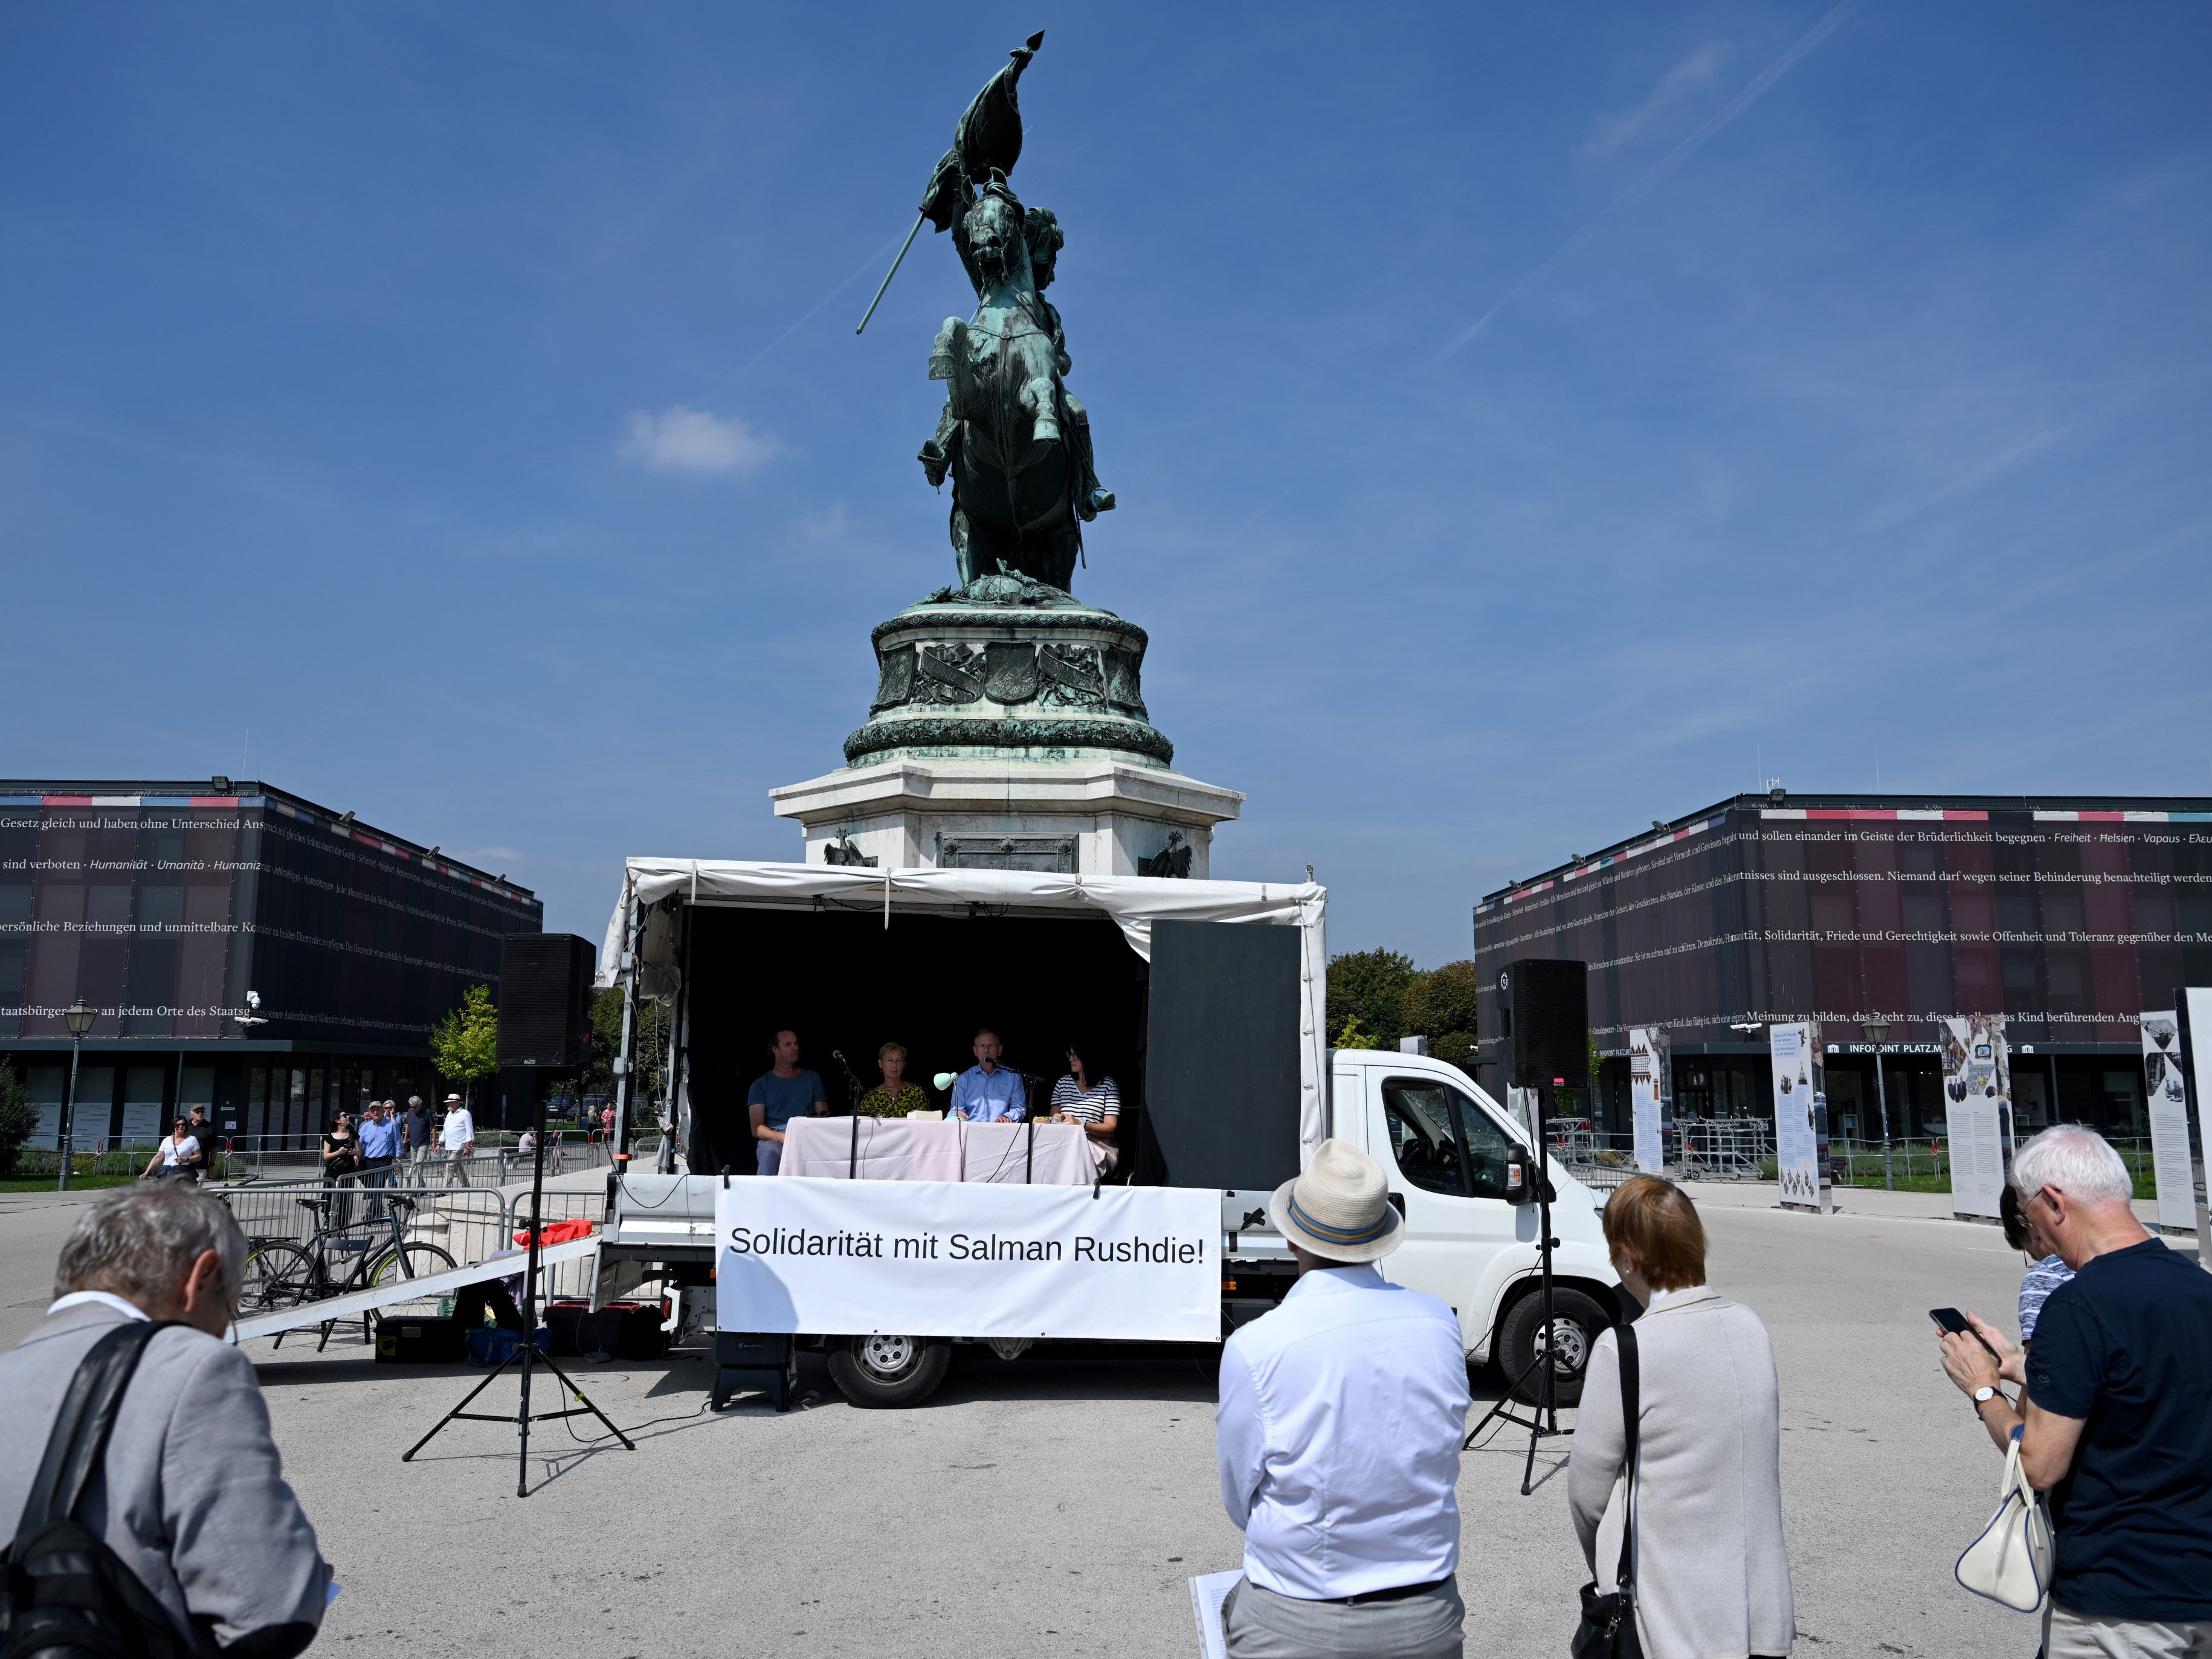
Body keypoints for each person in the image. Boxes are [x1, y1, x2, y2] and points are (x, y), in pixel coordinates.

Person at [0, 1182, 332, 1653]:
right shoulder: (191, 1365)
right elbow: (274, 1610)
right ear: (202, 1276)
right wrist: (311, 1581)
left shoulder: (8, 1369)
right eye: (231, 1306)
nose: (223, 1329)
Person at [1939, 1125, 2212, 1656]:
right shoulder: (2198, 1287)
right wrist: (2025, 1366)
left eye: (2026, 1216)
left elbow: (2039, 1464)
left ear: (2053, 1203)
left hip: (2120, 1600)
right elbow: (2148, 1387)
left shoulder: (2077, 1303)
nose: (2032, 1233)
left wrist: (1982, 1390)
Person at [1215, 1139, 1469, 1658]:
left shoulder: (1256, 1345)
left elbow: (1240, 1497)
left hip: (1295, 1609)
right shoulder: (1439, 1324)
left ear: (1291, 1241)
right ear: (1379, 1240)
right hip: (1424, 1614)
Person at [1569, 1175, 1793, 1658]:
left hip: (1671, 1616)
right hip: (1759, 1613)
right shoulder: (1749, 1326)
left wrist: (1607, 1569)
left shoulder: (1626, 1348)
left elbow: (1588, 1498)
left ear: (1628, 1259)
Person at [2001, 1179, 2075, 1346]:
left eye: (2034, 1255)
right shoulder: (2144, 1256)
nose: (2042, 1261)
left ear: (2028, 1224)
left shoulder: (2047, 1276)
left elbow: (2040, 1369)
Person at [746, 1029, 827, 1175]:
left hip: (807, 1139)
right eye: (788, 1044)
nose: (795, 1047)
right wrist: (783, 1137)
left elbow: (823, 1118)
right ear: (775, 1049)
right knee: (769, 1153)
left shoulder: (813, 1078)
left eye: (796, 1043)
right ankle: (764, 1195)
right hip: (775, 1141)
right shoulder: (760, 1085)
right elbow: (756, 1129)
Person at [1048, 1040, 1120, 1174]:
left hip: (1097, 1149)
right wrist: (1056, 1120)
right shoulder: (1063, 1083)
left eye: (1075, 1055)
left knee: (1071, 1164)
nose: (1071, 1059)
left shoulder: (1108, 1086)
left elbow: (1111, 1129)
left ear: (1087, 1056)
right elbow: (1052, 1121)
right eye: (1070, 1054)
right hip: (1064, 1145)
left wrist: (1081, 1123)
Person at [950, 1028, 1026, 1124]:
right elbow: (954, 1112)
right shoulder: (963, 1080)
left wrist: (1007, 1117)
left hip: (1002, 1132)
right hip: (971, 1134)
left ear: (999, 1050)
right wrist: (958, 1115)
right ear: (975, 1051)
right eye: (982, 1046)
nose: (986, 1050)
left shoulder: (1013, 1077)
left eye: (991, 1046)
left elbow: (1019, 1108)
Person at [859, 1043, 929, 1118]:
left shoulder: (916, 1092)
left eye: (898, 1061)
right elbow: (862, 1125)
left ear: (904, 1065)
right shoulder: (871, 1096)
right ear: (881, 1063)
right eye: (890, 1060)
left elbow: (926, 1123)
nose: (894, 1065)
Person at [140, 1118, 201, 1183]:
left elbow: (199, 1156)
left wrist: (185, 1159)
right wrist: (146, 1172)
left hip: (183, 1174)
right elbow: (158, 1158)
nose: (181, 1126)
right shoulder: (166, 1140)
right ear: (173, 1126)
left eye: (183, 1124)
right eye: (178, 1125)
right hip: (166, 1172)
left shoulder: (192, 1139)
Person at [440, 1092, 476, 1186]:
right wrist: (439, 1144)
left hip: (459, 1145)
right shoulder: (449, 1114)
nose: (448, 1104)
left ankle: (445, 1189)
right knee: (457, 1167)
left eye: (450, 1102)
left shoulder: (465, 1114)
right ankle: (466, 1186)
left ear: (457, 1103)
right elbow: (445, 1130)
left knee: (450, 1166)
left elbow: (470, 1131)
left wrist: (467, 1147)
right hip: (450, 1145)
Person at [319, 1112, 358, 1181]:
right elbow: (326, 1156)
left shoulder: (353, 1134)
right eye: (345, 1116)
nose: (348, 1117)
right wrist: (339, 1152)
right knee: (329, 1191)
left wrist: (352, 1152)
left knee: (346, 1191)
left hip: (348, 1170)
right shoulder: (330, 1137)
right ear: (338, 1121)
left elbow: (359, 1152)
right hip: (333, 1170)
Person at [402, 1094, 433, 1177]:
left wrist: (434, 1142)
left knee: (418, 1165)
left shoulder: (427, 1112)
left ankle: (417, 1189)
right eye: (411, 1107)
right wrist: (405, 1140)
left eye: (415, 1107)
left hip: (424, 1143)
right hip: (413, 1143)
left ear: (420, 1105)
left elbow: (433, 1127)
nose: (413, 1109)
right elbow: (408, 1126)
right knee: (414, 1166)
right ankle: (421, 1187)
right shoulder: (410, 1112)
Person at [184, 1104, 218, 1178]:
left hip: (201, 1167)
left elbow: (214, 1148)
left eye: (202, 1112)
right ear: (191, 1115)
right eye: (197, 1112)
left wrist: (211, 1166)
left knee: (195, 1189)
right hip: (184, 1166)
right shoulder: (184, 1127)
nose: (200, 1113)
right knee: (181, 1189)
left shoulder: (210, 1127)